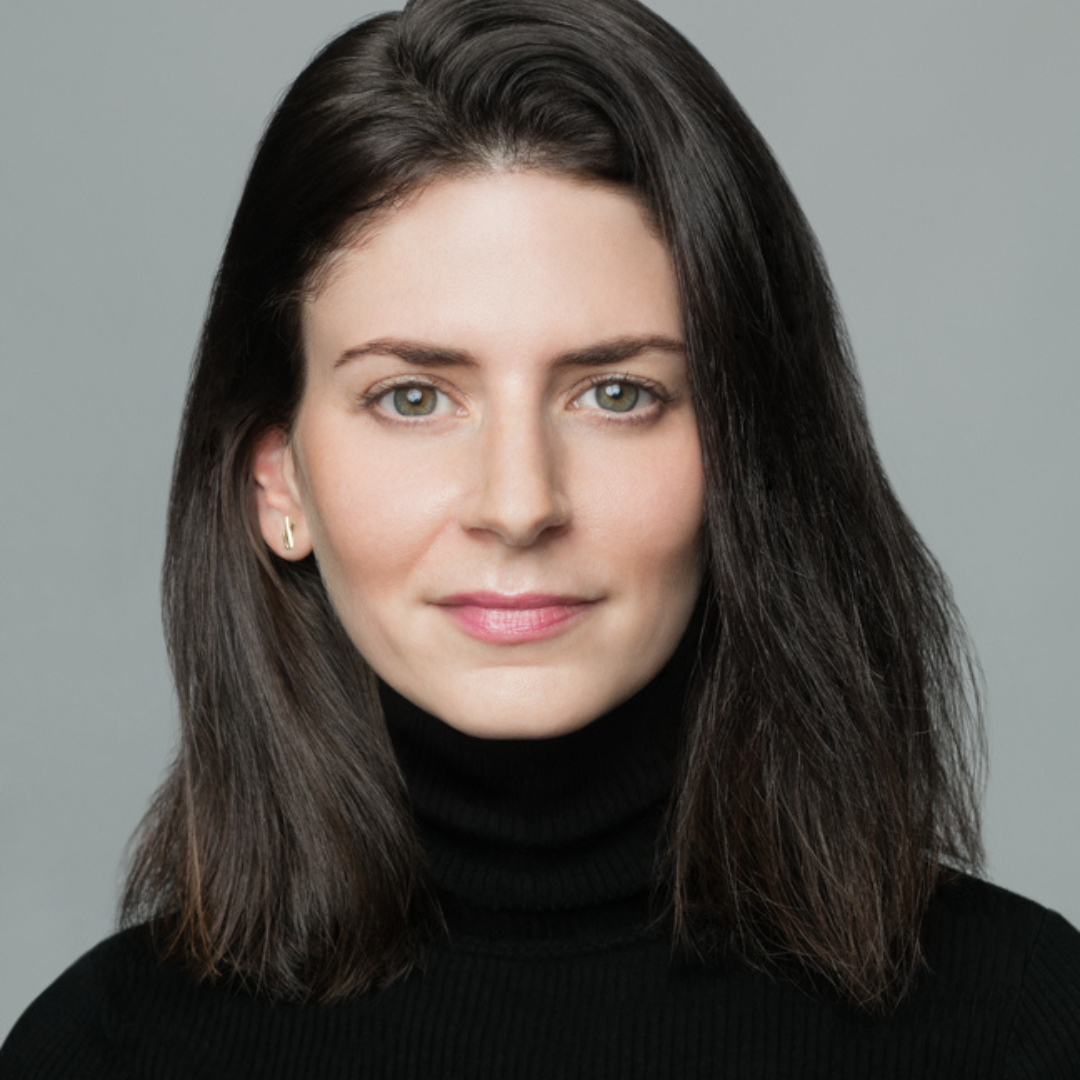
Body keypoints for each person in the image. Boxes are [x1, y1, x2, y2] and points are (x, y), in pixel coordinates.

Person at [3, 0, 1078, 1075]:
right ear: (275, 479)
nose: (519, 506)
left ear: (749, 455)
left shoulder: (1025, 1023)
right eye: (414, 398)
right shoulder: (97, 1053)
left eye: (617, 393)